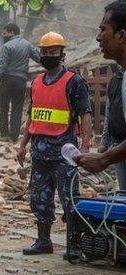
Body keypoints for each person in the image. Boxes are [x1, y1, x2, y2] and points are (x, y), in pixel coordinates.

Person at [16, 32, 92, 257]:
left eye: (53, 52)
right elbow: (33, 116)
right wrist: (22, 145)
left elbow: (85, 115)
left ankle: (75, 244)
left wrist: (85, 150)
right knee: (39, 199)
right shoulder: (37, 82)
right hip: (39, 154)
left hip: (64, 154)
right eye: (45, 52)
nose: (48, 56)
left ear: (61, 54)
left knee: (70, 200)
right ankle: (43, 241)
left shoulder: (74, 82)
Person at [75, 2, 126, 175]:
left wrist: (104, 159)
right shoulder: (120, 77)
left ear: (121, 35)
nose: (98, 37)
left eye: (103, 30)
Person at [0, 23, 40, 142]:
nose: (3, 35)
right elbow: (38, 57)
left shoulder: (7, 46)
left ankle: (4, 134)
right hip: (21, 80)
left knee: (3, 107)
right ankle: (14, 135)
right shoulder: (27, 44)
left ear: (12, 33)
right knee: (17, 107)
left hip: (7, 80)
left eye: (5, 33)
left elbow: (1, 66)